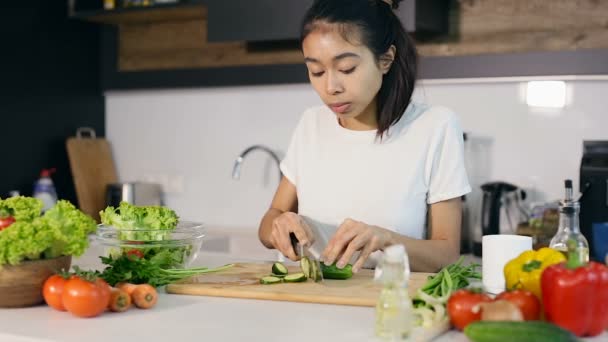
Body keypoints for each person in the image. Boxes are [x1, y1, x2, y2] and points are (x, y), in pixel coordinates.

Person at [258, 0, 471, 273]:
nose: (330, 87)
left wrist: (388, 240)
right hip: (314, 299)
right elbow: (269, 220)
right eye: (316, 71)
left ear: (385, 60)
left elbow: (447, 254)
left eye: (346, 68)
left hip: (390, 301)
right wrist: (280, 225)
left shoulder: (435, 126)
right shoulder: (311, 123)